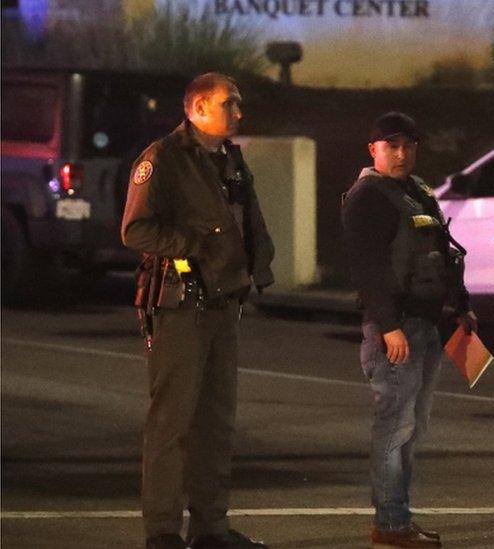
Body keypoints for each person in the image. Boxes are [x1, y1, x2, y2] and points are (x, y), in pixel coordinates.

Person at [121, 72, 274, 549]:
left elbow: (247, 219)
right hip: (180, 304)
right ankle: (163, 533)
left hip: (224, 303)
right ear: (199, 106)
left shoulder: (230, 156)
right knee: (172, 422)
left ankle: (210, 527)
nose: (238, 113)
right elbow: (135, 230)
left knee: (216, 422)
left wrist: (256, 263)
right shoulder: (163, 158)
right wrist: (192, 246)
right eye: (230, 104)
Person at [341, 112, 477, 549]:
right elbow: (368, 269)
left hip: (427, 324)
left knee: (412, 427)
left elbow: (442, 253)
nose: (402, 154)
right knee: (394, 428)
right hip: (396, 329)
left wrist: (461, 308)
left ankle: (397, 520)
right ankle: (392, 523)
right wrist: (388, 326)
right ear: (374, 149)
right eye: (392, 145)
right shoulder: (368, 197)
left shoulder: (416, 192)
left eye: (409, 145)